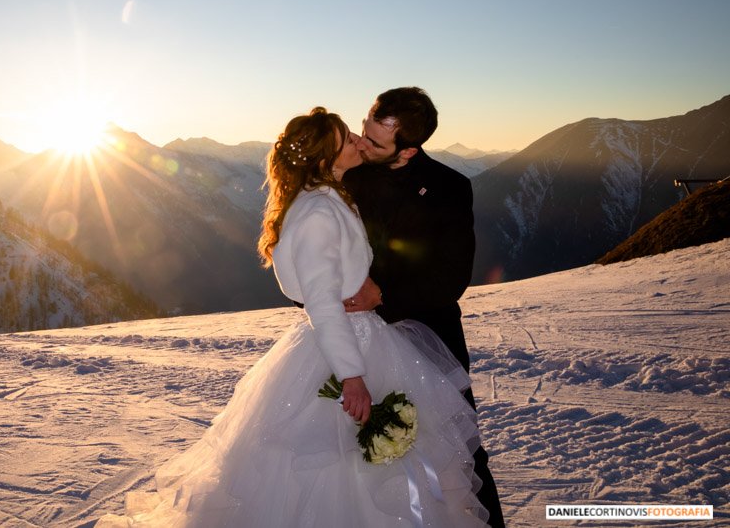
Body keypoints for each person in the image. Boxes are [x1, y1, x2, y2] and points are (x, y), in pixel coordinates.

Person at [99, 108, 488, 527]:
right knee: (332, 469)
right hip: (343, 350)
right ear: (326, 158)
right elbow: (320, 302)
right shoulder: (319, 211)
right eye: (348, 139)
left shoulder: (333, 194)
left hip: (363, 338)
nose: (358, 142)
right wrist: (352, 376)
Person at [342, 87, 506, 528]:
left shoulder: (451, 187)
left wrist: (384, 295)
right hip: (353, 342)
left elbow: (452, 277)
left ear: (410, 149)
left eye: (374, 142)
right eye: (363, 131)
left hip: (429, 339)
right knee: (349, 451)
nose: (361, 144)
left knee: (459, 450)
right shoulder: (345, 177)